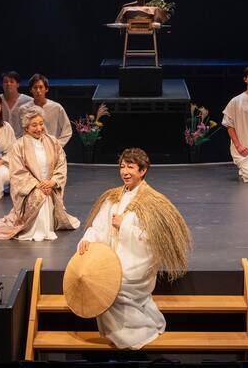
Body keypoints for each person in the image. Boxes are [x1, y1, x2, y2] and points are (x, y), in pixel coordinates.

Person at [78, 148, 192, 349]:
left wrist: (124, 225)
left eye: (130, 167)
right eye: (122, 167)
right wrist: (88, 238)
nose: (125, 172)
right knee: (97, 280)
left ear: (143, 170)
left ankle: (140, 332)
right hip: (111, 259)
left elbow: (153, 240)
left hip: (136, 263)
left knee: (109, 287)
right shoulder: (112, 197)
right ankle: (119, 334)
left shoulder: (152, 202)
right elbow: (98, 227)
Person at [0, 106, 80, 240]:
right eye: (34, 125)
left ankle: (46, 225)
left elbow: (61, 165)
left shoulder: (52, 142)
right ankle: (37, 230)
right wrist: (37, 185)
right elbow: (18, 173)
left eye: (41, 124)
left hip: (50, 187)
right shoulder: (19, 146)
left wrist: (52, 182)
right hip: (30, 190)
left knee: (45, 195)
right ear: (26, 128)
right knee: (40, 195)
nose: (39, 128)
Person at [19, 73, 72, 146]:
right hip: (31, 147)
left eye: (41, 87)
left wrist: (57, 145)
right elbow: (20, 131)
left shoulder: (56, 108)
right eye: (35, 87)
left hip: (52, 147)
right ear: (31, 90)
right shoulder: (24, 109)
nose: (38, 90)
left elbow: (67, 130)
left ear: (46, 89)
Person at [0, 71, 32, 137]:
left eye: (11, 81)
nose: (8, 84)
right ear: (2, 84)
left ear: (17, 84)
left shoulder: (28, 101)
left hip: (22, 139)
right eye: (5, 82)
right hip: (2, 139)